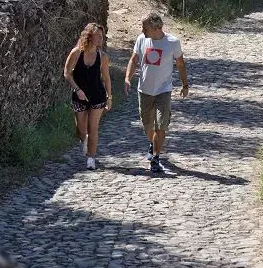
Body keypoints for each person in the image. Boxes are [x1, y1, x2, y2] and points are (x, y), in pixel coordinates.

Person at [124, 13, 189, 173]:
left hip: (163, 90)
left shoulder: (172, 42)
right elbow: (134, 60)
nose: (142, 30)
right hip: (144, 90)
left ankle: (155, 157)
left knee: (161, 125)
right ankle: (153, 144)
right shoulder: (141, 39)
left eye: (144, 27)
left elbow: (180, 64)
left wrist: (185, 84)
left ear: (155, 28)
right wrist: (127, 79)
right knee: (147, 126)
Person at [63, 22, 113, 170]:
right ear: (89, 36)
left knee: (93, 128)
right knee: (80, 130)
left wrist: (109, 97)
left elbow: (106, 78)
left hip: (97, 95)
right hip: (79, 96)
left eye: (102, 36)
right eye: (98, 36)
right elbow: (67, 73)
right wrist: (77, 89)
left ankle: (91, 158)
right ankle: (83, 140)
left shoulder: (103, 57)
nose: (101, 39)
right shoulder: (76, 53)